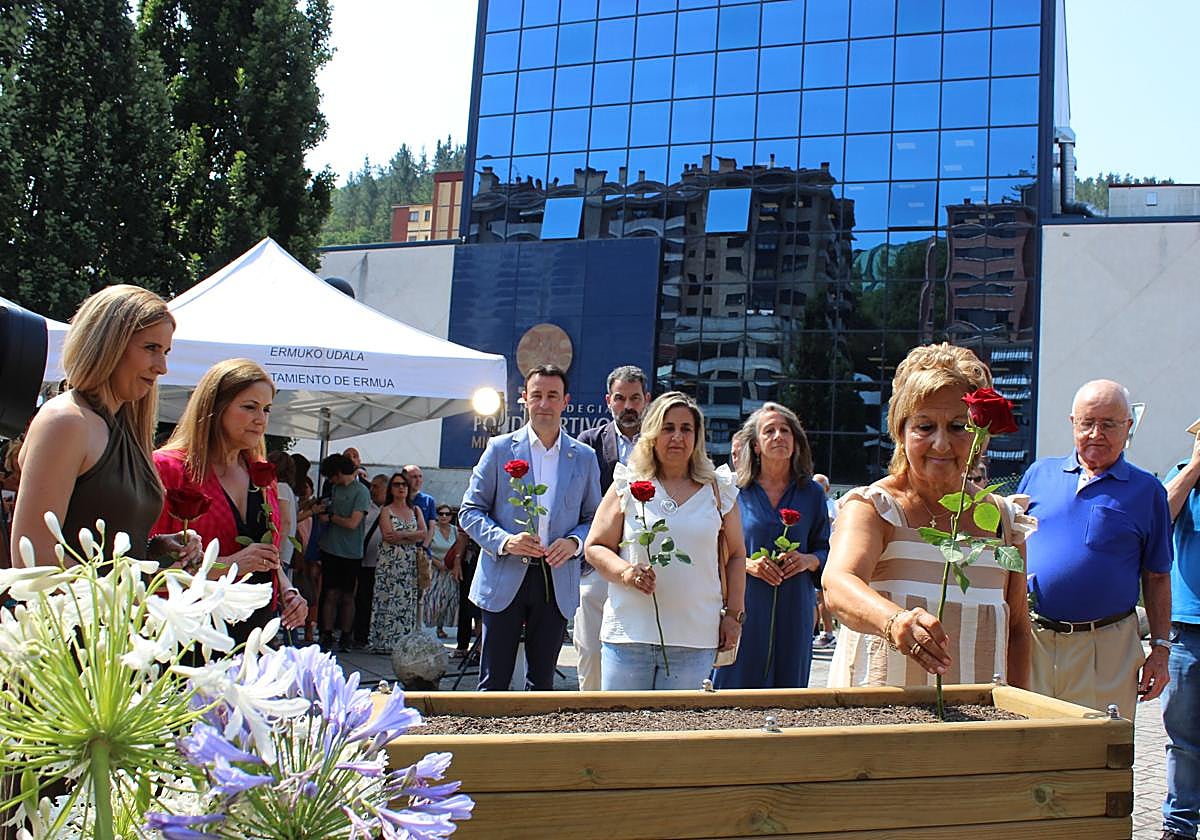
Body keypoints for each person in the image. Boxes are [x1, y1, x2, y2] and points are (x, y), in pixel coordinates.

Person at [823, 343, 1034, 689]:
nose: (940, 444)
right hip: (882, 723)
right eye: (924, 427)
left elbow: (1017, 631)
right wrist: (894, 622)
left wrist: (1022, 723)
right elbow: (838, 585)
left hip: (978, 729)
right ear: (900, 432)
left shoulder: (1003, 521)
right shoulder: (874, 507)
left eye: (957, 427)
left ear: (981, 437)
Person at [1018, 379, 1172, 719]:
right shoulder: (1038, 474)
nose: (1096, 434)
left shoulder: (1147, 491)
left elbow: (1158, 575)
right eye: (1087, 423)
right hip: (1035, 641)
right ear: (1072, 422)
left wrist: (1160, 650)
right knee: (1027, 750)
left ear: (1128, 427)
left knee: (1097, 757)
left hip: (1107, 648)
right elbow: (1012, 550)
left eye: (1109, 424)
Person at [13, 285, 194, 568]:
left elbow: (108, 544)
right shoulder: (66, 422)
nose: (162, 367)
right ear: (108, 344)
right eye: (151, 348)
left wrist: (154, 549)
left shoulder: (124, 428)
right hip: (76, 612)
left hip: (118, 612)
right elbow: (34, 558)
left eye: (166, 352)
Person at [584, 391, 747, 690]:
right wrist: (626, 572)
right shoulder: (628, 483)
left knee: (680, 735)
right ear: (652, 434)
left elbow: (737, 555)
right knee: (623, 732)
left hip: (696, 640)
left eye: (686, 429)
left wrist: (734, 616)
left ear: (697, 437)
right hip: (628, 637)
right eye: (668, 427)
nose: (677, 437)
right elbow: (594, 547)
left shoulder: (719, 489)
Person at [459, 364, 602, 691]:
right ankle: (484, 741)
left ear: (565, 401)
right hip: (503, 574)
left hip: (556, 578)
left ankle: (534, 741)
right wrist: (505, 540)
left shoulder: (583, 457)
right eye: (536, 395)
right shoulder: (499, 449)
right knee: (492, 681)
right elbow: (470, 511)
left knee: (542, 684)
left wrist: (574, 544)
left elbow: (593, 518)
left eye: (552, 396)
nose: (544, 403)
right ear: (524, 398)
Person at [151, 359, 307, 643]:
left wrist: (287, 590)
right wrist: (230, 565)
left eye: (267, 409)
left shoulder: (261, 475)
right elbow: (147, 571)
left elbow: (265, 558)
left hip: (254, 637)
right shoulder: (168, 469)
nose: (261, 418)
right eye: (250, 407)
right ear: (215, 407)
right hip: (191, 638)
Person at [713, 403, 829, 689]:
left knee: (789, 693)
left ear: (796, 440)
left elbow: (826, 550)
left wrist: (808, 560)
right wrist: (747, 564)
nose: (779, 436)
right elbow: (714, 548)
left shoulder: (812, 493)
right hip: (745, 604)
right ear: (755, 445)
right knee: (733, 690)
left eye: (785, 430)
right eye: (770, 431)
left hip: (795, 605)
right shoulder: (734, 491)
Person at [575, 364, 650, 690]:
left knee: (637, 654)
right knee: (591, 651)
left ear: (647, 399)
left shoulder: (660, 443)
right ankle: (588, 722)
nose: (628, 406)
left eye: (635, 398)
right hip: (596, 563)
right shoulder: (587, 443)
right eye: (620, 398)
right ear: (608, 401)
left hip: (644, 561)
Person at [1162, 433, 1200, 840]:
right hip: (1188, 631)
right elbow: (1158, 519)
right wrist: (1193, 468)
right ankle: (1180, 826)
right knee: (1184, 739)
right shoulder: (1183, 477)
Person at [312, 453, 371, 651]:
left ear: (337, 473)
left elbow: (354, 522)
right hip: (331, 549)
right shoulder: (334, 489)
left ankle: (347, 634)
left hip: (352, 552)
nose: (330, 481)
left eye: (331, 476)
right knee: (329, 593)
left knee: (347, 595)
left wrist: (331, 517)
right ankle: (326, 633)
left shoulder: (361, 491)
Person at [368, 471, 427, 652]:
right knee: (388, 598)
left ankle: (404, 641)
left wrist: (402, 535)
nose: (401, 487)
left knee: (406, 600)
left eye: (404, 485)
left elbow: (423, 534)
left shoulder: (415, 510)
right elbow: (388, 536)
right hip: (390, 563)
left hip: (408, 563)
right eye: (397, 484)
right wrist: (411, 536)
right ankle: (383, 642)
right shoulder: (386, 510)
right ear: (391, 489)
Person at [352, 474, 389, 647]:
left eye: (376, 487)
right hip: (365, 561)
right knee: (363, 599)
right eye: (371, 486)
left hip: (385, 563)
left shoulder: (392, 510)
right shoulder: (366, 507)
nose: (372, 490)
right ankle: (361, 634)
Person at [425, 503, 461, 639]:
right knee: (434, 600)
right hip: (435, 570)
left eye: (447, 514)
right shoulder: (432, 529)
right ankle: (430, 627)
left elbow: (459, 549)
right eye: (441, 514)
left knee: (448, 600)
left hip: (450, 570)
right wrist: (437, 563)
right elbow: (425, 549)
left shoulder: (455, 531)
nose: (444, 516)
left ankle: (441, 628)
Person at [811, 473, 839, 649]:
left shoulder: (831, 506)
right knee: (814, 596)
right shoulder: (811, 504)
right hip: (814, 552)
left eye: (820, 487)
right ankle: (815, 632)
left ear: (827, 489)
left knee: (822, 595)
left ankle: (828, 633)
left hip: (827, 553)